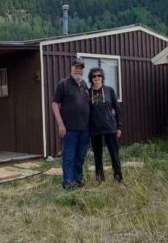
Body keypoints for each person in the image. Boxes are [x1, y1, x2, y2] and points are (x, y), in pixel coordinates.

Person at [52, 57, 90, 190]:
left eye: (81, 68)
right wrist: (60, 124)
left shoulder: (84, 85)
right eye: (76, 67)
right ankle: (68, 183)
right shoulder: (63, 84)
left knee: (80, 156)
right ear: (71, 68)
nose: (78, 70)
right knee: (69, 157)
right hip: (69, 130)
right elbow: (55, 104)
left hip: (84, 129)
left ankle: (78, 180)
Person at [88, 67, 123, 183]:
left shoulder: (109, 90)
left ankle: (118, 178)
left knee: (114, 153)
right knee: (97, 155)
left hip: (110, 127)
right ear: (91, 78)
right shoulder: (88, 92)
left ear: (102, 77)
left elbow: (117, 109)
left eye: (99, 75)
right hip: (95, 129)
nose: (97, 78)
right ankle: (100, 179)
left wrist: (119, 126)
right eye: (94, 76)